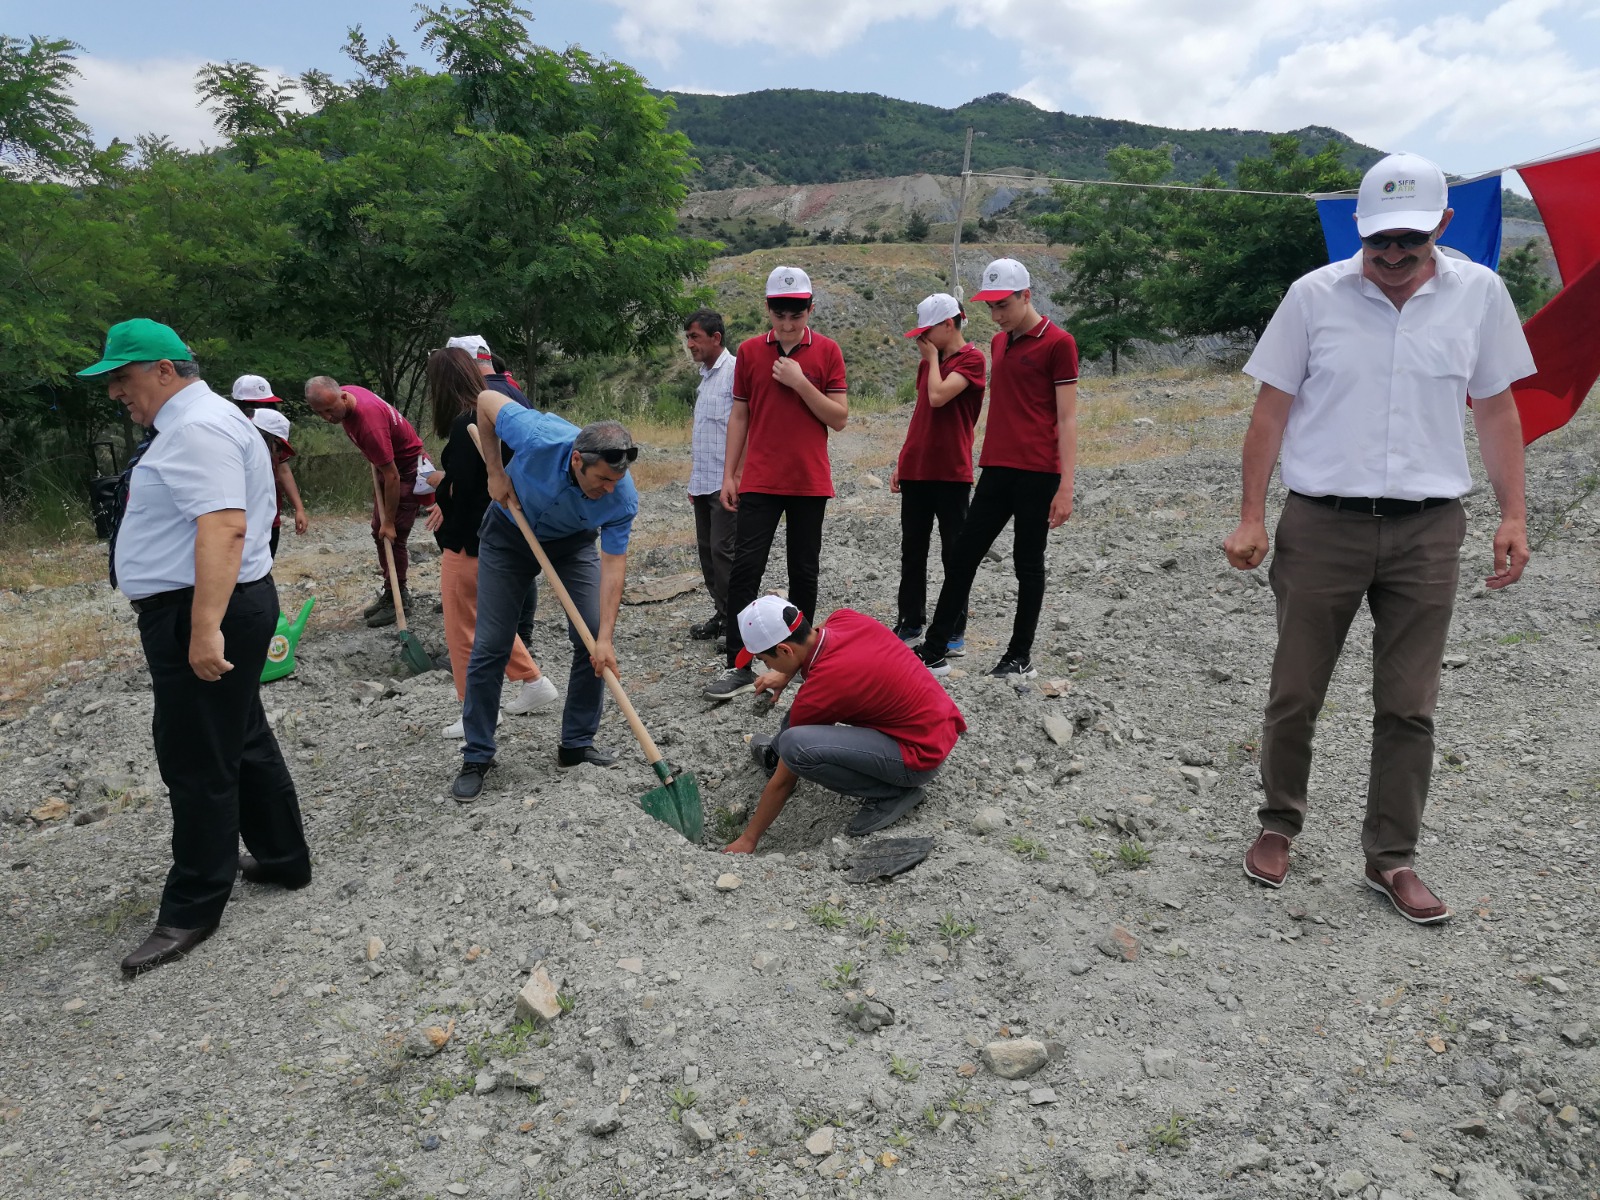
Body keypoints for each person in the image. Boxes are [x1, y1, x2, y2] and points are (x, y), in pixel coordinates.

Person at [1225, 152, 1536, 924]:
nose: (1393, 258)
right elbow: (1270, 412)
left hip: (1428, 531)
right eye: (1379, 243)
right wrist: (1252, 513)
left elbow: (1495, 410)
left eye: (1410, 241)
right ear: (1359, 233)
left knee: (1409, 705)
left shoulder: (1481, 297)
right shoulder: (1313, 297)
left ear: (1443, 225)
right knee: (1295, 690)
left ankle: (1391, 857)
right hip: (1321, 523)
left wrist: (1514, 514)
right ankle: (1278, 824)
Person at [79, 319, 310, 975]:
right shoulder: (199, 420)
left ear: (162, 369)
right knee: (239, 736)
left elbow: (225, 526)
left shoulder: (197, 426)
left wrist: (204, 628)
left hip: (202, 608)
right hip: (213, 603)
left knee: (194, 756)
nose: (115, 393)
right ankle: (284, 858)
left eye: (121, 378)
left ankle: (191, 908)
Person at [452, 397, 640, 800]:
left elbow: (613, 568)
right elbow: (485, 401)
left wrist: (605, 637)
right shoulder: (538, 435)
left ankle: (576, 744)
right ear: (577, 461)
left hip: (572, 545)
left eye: (616, 481)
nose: (610, 488)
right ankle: (478, 754)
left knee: (591, 637)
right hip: (509, 534)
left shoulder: (621, 496)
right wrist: (495, 472)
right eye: (602, 480)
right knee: (491, 644)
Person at [914, 258, 1079, 680]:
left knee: (1028, 562)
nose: (996, 314)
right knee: (964, 555)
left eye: (1003, 304)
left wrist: (1066, 486)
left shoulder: (1059, 343)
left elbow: (1067, 418)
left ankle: (1018, 656)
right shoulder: (999, 343)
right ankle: (934, 648)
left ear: (1026, 295)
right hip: (996, 467)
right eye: (990, 306)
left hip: (1039, 471)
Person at [722, 596, 966, 852]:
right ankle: (775, 753)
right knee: (802, 714)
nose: (766, 667)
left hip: (919, 757)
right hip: (937, 729)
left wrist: (749, 839)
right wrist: (786, 672)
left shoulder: (826, 684)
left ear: (784, 650)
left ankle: (891, 793)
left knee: (795, 745)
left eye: (764, 660)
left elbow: (784, 782)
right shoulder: (845, 618)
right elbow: (810, 647)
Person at [705, 266, 849, 701]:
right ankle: (740, 663)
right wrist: (729, 474)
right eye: (780, 314)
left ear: (809, 308)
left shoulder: (827, 351)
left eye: (797, 314)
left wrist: (800, 382)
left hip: (808, 480)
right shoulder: (749, 352)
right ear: (768, 309)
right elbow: (741, 414)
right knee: (746, 570)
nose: (788, 323)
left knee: (803, 571)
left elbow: (839, 418)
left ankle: (801, 662)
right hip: (761, 480)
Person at [424, 347, 559, 738]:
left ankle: (477, 712)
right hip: (494, 538)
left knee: (462, 629)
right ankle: (533, 682)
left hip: (470, 542)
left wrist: (438, 484)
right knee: (484, 621)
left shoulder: (467, 426)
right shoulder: (492, 416)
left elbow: (467, 491)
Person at [891, 293, 986, 651]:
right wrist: (903, 459)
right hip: (918, 469)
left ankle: (952, 628)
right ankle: (910, 620)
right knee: (912, 550)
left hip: (951, 471)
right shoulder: (928, 363)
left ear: (949, 324)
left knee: (954, 553)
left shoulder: (973, 359)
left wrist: (932, 359)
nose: (922, 340)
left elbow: (938, 396)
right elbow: (921, 413)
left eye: (927, 332)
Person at [303, 375, 426, 627]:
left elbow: (393, 477)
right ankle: (391, 589)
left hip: (406, 472)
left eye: (330, 409)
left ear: (343, 397)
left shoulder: (369, 425)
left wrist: (389, 522)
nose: (328, 417)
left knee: (393, 535)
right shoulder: (346, 396)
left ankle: (399, 598)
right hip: (388, 469)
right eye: (320, 412)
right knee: (377, 531)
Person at [684, 308, 737, 643]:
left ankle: (738, 625)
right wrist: (693, 482)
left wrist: (737, 477)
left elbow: (746, 427)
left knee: (724, 552)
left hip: (725, 483)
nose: (690, 344)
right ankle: (722, 615)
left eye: (695, 337)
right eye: (688, 338)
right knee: (707, 551)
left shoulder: (734, 372)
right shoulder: (706, 377)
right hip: (703, 482)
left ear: (716, 338)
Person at [250, 408, 308, 557]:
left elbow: (284, 471)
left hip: (270, 519)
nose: (279, 452)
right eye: (279, 446)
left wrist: (299, 509)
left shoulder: (272, 452)